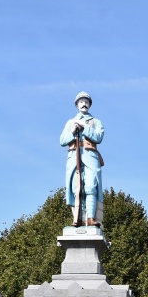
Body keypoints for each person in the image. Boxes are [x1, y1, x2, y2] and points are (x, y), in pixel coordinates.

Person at [60, 92, 104, 227]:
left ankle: (90, 218)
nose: (84, 103)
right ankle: (77, 219)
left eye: (86, 101)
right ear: (77, 104)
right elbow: (62, 141)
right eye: (81, 101)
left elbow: (98, 137)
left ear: (89, 104)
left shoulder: (95, 122)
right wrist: (73, 130)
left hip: (90, 157)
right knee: (75, 189)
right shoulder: (70, 122)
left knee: (91, 187)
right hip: (74, 157)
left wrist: (84, 127)